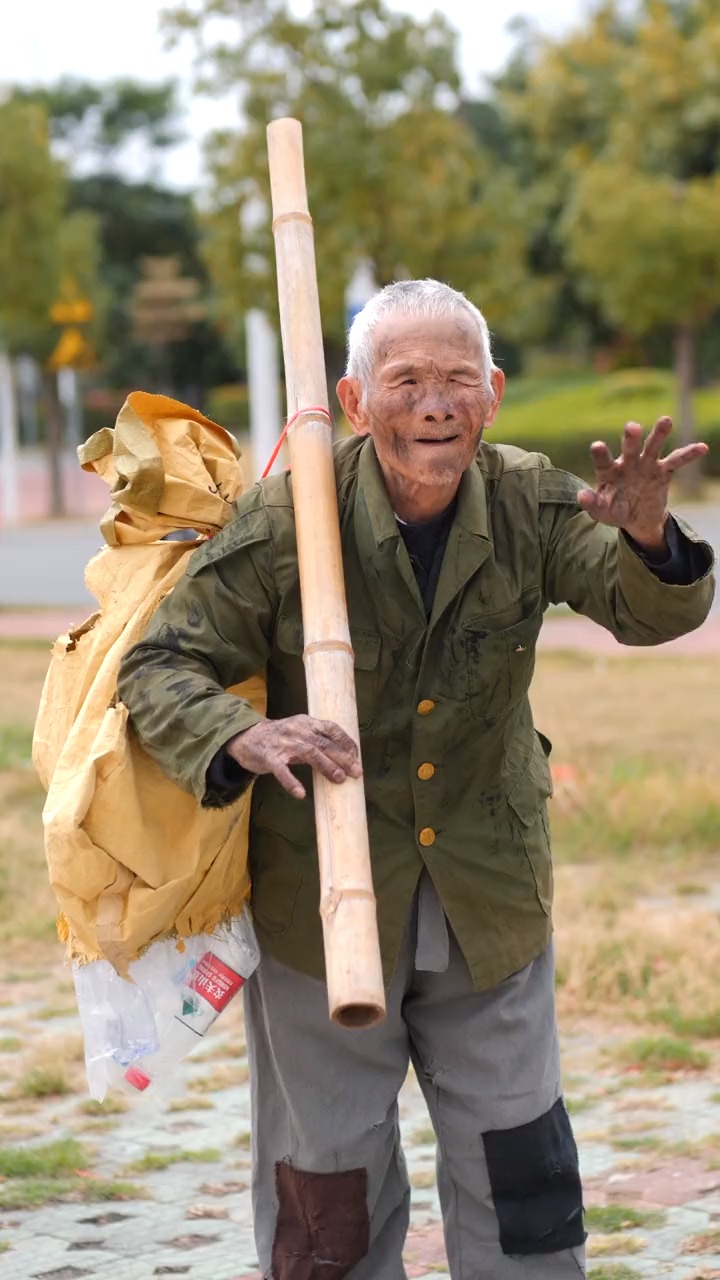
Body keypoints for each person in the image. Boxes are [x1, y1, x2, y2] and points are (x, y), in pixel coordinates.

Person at [118, 280, 714, 1279]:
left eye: (456, 380)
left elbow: (645, 608)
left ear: (493, 394)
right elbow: (157, 667)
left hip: (489, 893)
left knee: (522, 1169)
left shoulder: (530, 498)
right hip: (323, 901)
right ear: (355, 402)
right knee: (327, 1192)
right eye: (406, 381)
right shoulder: (283, 522)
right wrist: (245, 734)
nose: (434, 403)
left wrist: (652, 539)